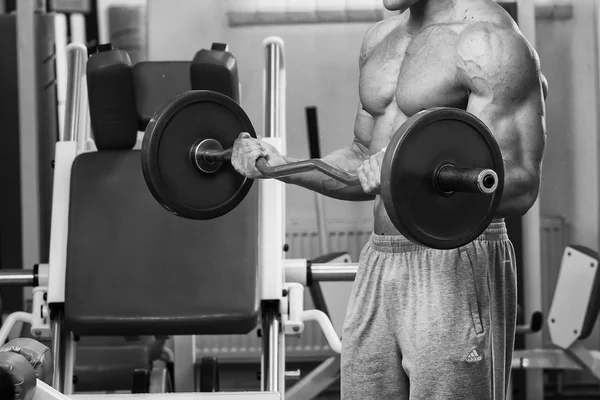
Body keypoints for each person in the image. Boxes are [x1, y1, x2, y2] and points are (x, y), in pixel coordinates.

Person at [232, 0, 548, 398]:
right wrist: (285, 166)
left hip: (454, 260)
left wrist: (410, 176)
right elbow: (362, 160)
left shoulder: (488, 42)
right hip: (380, 259)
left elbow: (520, 182)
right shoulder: (380, 39)